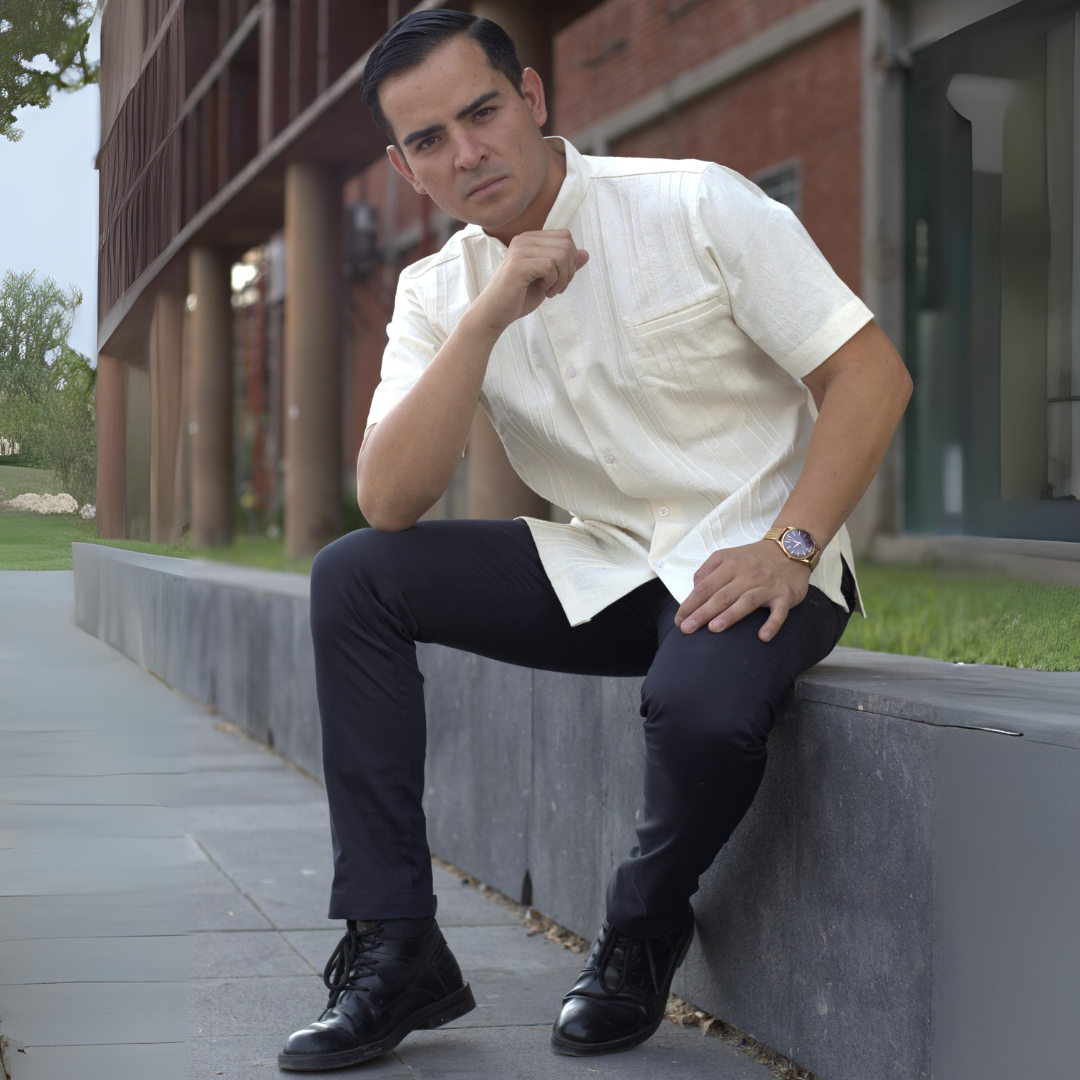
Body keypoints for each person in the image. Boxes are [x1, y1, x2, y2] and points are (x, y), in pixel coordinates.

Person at [278, 9, 912, 1073]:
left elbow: (870, 375)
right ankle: (395, 947)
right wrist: (487, 318)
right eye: (429, 140)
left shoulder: (694, 202)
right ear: (405, 167)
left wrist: (791, 545)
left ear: (532, 98)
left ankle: (642, 926)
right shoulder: (437, 293)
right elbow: (387, 499)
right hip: (603, 569)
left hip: (759, 560)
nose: (466, 151)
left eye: (481, 112)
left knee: (702, 709)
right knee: (356, 577)